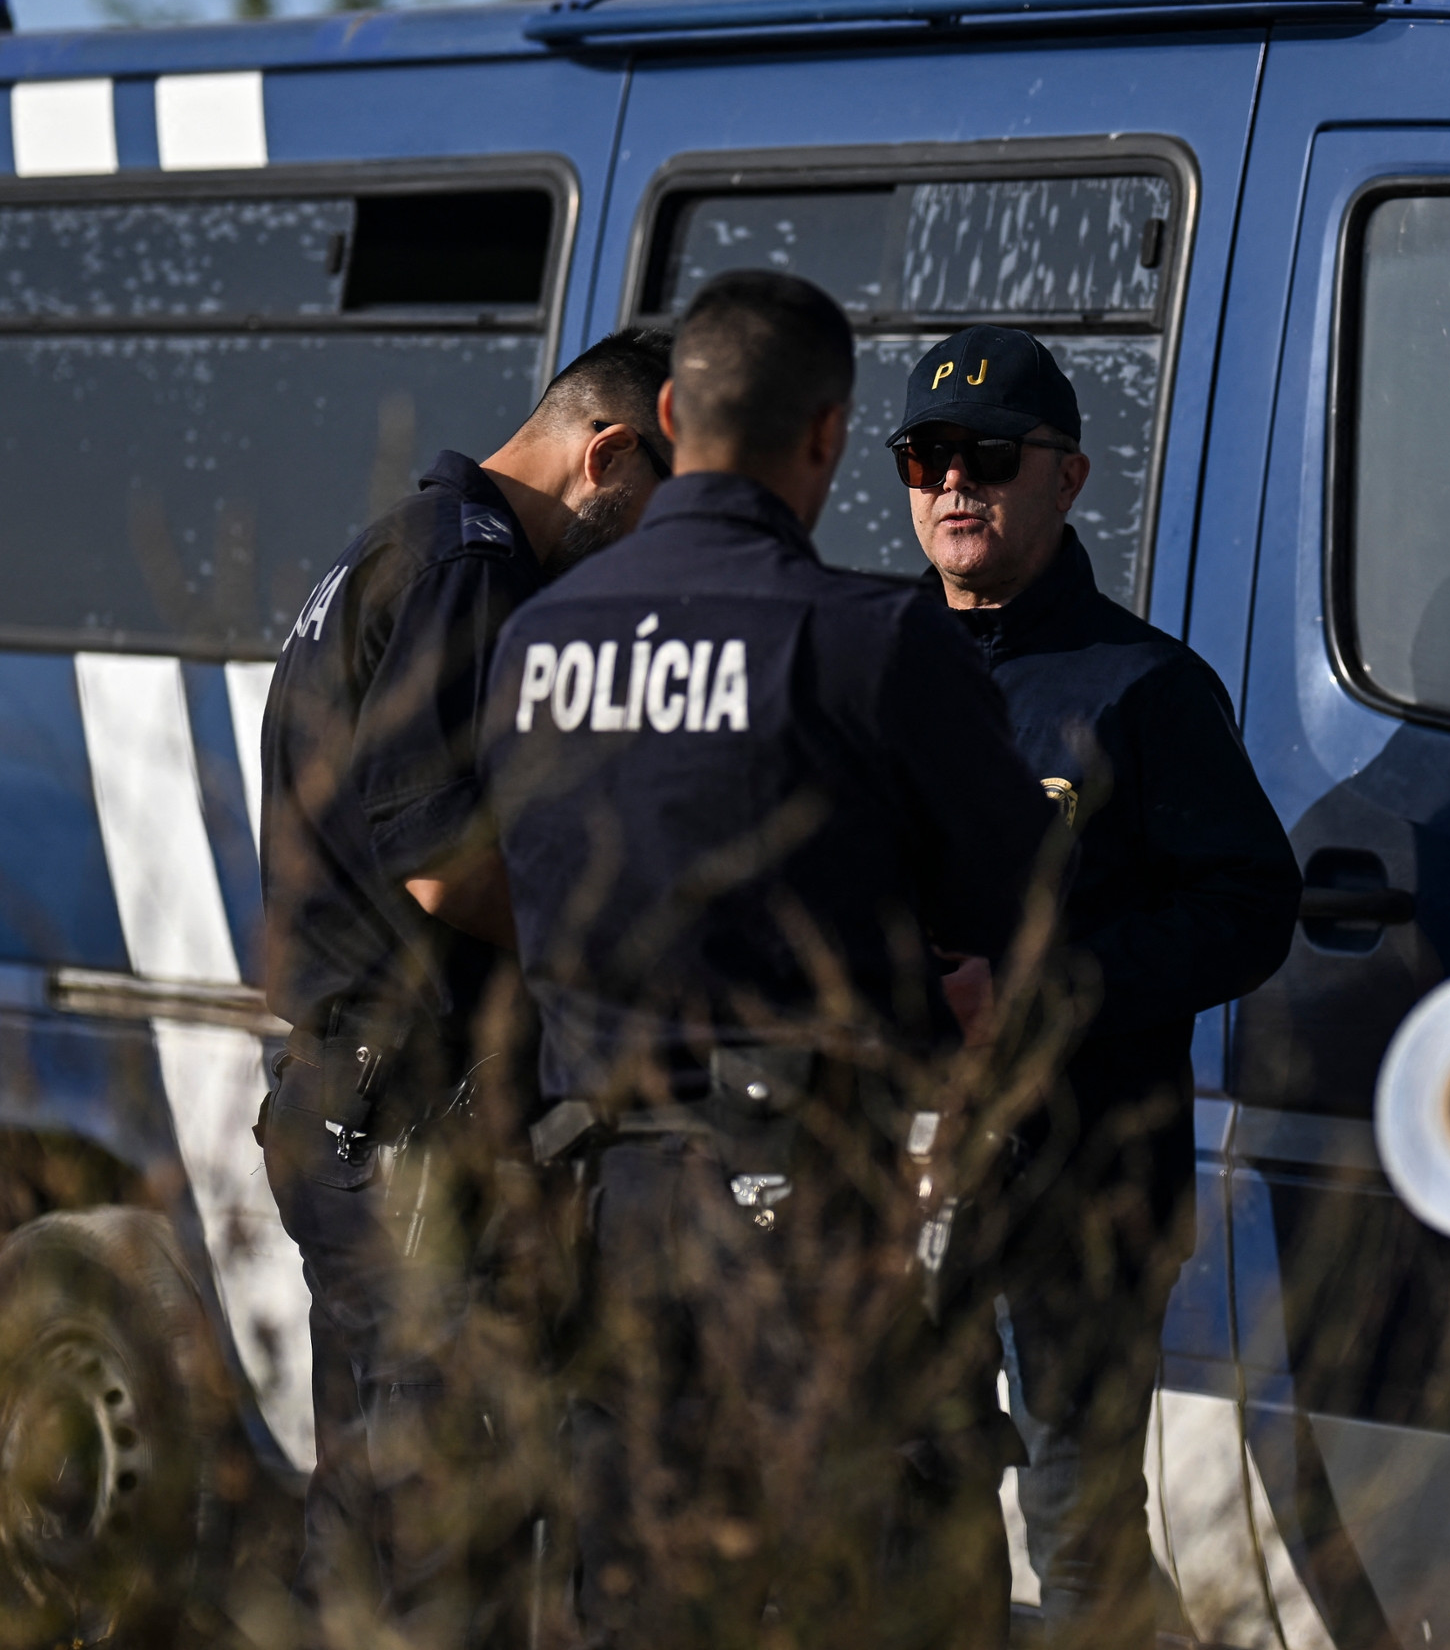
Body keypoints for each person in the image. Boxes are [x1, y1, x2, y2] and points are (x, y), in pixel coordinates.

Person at [478, 273, 1059, 1650]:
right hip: (809, 1215)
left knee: (647, 1591)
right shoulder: (871, 638)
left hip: (607, 1203)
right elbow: (1013, 906)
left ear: (673, 414)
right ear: (832, 437)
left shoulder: (536, 637)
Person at [258, 330, 676, 1645]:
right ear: (609, 452)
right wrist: (636, 955)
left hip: (353, 1106)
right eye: (666, 507)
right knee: (444, 1544)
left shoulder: (395, 545)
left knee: (371, 1520)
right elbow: (445, 864)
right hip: (411, 1130)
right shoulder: (467, 567)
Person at [889, 323, 1303, 1650]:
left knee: (1076, 1526)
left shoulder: (1146, 688)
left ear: (1066, 478)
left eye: (991, 457)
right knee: (919, 1503)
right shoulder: (867, 660)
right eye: (927, 456)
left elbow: (1249, 912)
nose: (957, 484)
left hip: (1087, 1180)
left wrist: (1042, 993)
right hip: (895, 1174)